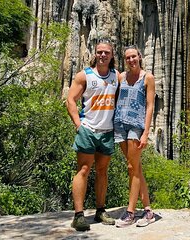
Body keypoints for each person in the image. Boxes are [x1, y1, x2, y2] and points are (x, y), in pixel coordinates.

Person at [66, 40, 119, 231]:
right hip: (88, 129)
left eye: (107, 52)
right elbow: (70, 100)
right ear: (95, 54)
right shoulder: (85, 75)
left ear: (112, 55)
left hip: (107, 132)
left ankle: (100, 210)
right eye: (100, 52)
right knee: (83, 170)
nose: (103, 55)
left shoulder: (116, 77)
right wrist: (78, 125)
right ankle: (78, 215)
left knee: (102, 172)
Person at [114, 45, 156, 228]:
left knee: (132, 167)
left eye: (134, 57)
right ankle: (148, 211)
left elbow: (150, 106)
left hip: (136, 126)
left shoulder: (148, 78)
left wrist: (146, 132)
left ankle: (130, 213)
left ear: (139, 57)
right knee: (135, 167)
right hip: (119, 124)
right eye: (128, 58)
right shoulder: (121, 77)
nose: (131, 60)